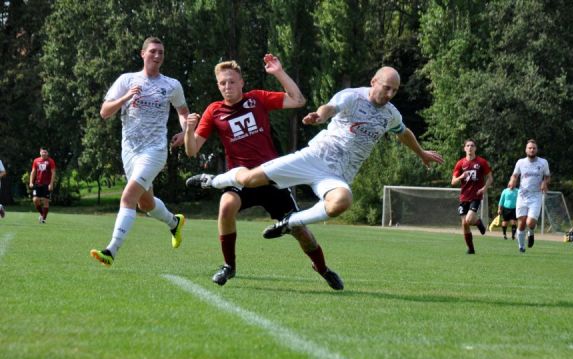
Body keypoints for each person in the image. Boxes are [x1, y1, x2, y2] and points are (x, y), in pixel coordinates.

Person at [189, 66, 444, 243]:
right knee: (247, 180)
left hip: (338, 174)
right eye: (386, 88)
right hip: (314, 157)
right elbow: (330, 107)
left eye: (394, 91)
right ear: (374, 82)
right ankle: (212, 180)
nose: (389, 94)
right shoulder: (352, 97)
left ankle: (290, 222)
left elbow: (403, 132)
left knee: (341, 202)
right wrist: (319, 116)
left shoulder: (391, 113)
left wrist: (421, 153)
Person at [183, 55, 343, 290]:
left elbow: (298, 100)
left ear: (241, 82)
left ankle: (322, 268)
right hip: (239, 177)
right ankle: (229, 266)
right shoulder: (213, 111)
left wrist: (278, 72)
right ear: (218, 85)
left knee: (300, 231)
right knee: (226, 206)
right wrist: (189, 129)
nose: (227, 86)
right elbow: (192, 150)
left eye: (231, 82)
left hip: (270, 176)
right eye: (222, 83)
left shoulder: (257, 99)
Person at [90, 37, 189, 267]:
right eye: (153, 51)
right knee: (146, 204)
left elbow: (183, 111)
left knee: (128, 197)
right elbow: (104, 112)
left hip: (154, 150)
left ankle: (111, 250)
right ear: (142, 54)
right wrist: (126, 97)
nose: (157, 55)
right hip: (130, 151)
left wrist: (185, 133)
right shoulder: (127, 80)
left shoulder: (171, 84)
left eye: (161, 52)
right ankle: (174, 222)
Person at [508, 139, 550, 253]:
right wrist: (512, 181)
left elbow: (547, 176)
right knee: (521, 223)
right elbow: (514, 175)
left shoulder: (543, 162)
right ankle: (521, 247)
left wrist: (544, 183)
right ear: (526, 150)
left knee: (530, 222)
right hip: (522, 196)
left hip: (536, 196)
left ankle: (531, 232)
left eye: (534, 148)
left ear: (537, 150)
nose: (532, 150)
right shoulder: (520, 162)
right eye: (530, 148)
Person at [451, 139, 493, 254]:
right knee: (464, 223)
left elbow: (490, 178)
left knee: (469, 220)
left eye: (472, 145)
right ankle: (471, 249)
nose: (470, 147)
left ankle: (478, 222)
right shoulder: (460, 163)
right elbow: (453, 182)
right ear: (464, 148)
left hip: (476, 196)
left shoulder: (481, 162)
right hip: (464, 197)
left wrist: (484, 188)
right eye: (468, 145)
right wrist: (460, 177)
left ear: (475, 148)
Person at [29, 147, 56, 223]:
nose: (44, 153)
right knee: (35, 200)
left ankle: (43, 219)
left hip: (46, 184)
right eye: (43, 152)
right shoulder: (36, 161)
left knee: (46, 201)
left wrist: (51, 184)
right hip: (37, 184)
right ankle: (42, 214)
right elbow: (33, 171)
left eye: (45, 152)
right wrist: (31, 182)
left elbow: (53, 173)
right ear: (40, 152)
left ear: (47, 153)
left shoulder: (51, 161)